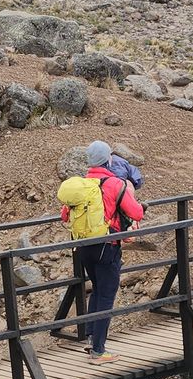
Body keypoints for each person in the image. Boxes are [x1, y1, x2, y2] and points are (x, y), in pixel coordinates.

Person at [57, 140, 145, 362]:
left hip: (83, 246)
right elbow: (135, 213)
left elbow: (64, 216)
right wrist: (140, 206)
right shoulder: (114, 183)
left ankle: (90, 338)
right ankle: (98, 350)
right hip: (107, 246)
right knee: (106, 294)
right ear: (109, 159)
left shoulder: (82, 185)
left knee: (97, 289)